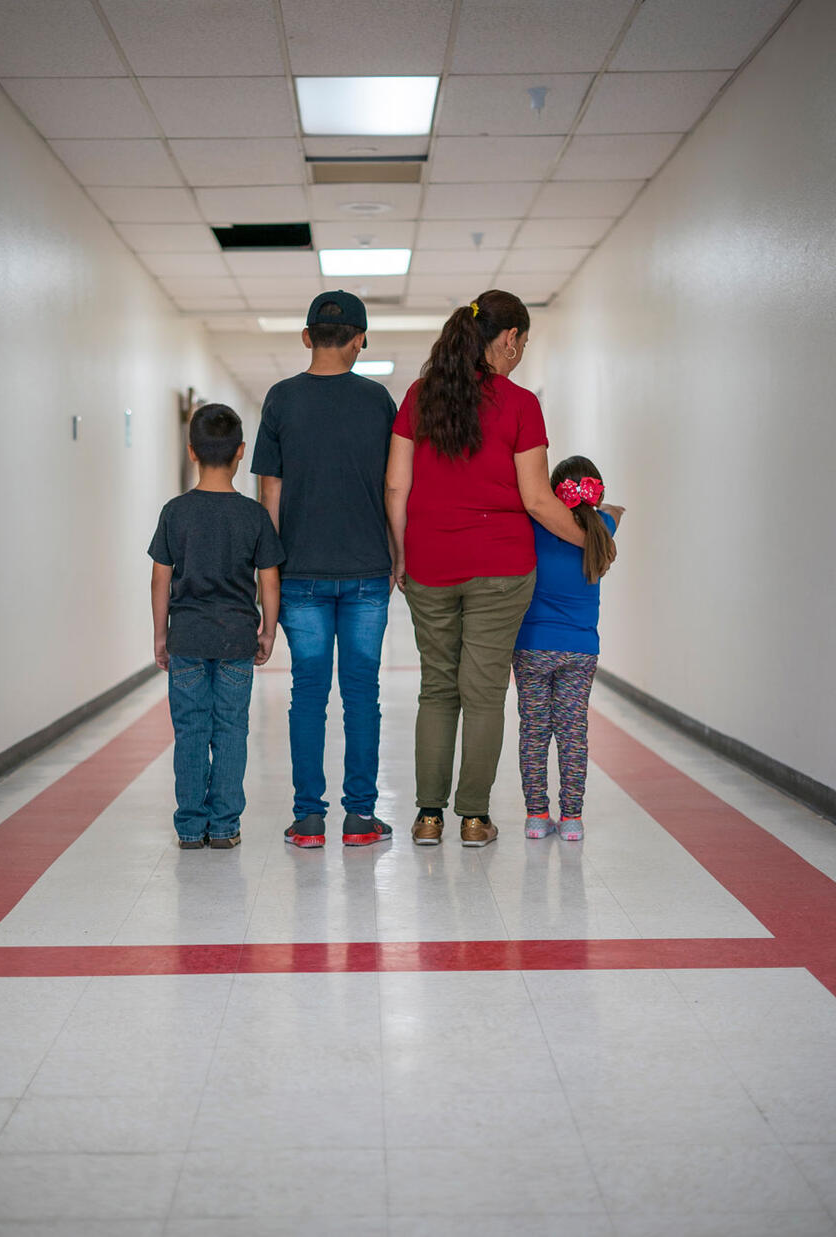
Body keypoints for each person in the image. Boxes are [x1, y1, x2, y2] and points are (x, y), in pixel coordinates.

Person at [386, 288, 593, 848]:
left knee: (437, 689)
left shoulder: (419, 396)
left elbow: (396, 484)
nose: (521, 352)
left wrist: (401, 551)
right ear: (507, 339)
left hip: (430, 561)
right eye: (522, 341)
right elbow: (538, 500)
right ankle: (474, 819)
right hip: (501, 566)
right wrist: (592, 542)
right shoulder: (521, 405)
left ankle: (429, 817)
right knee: (482, 693)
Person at [252, 291, 397, 849]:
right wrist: (397, 551)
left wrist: (269, 571)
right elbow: (392, 486)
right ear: (360, 338)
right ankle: (360, 819)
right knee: (362, 693)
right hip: (366, 570)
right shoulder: (377, 400)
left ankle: (308, 819)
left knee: (308, 693)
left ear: (307, 336)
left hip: (300, 573)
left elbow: (270, 492)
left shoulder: (281, 399)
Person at [149, 404, 285, 849]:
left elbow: (160, 577)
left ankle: (190, 827)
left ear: (192, 452)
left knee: (190, 732)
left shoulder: (175, 512)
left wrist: (160, 635)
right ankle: (224, 826)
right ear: (241, 452)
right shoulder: (253, 516)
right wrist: (267, 630)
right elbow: (269, 578)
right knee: (230, 729)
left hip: (187, 636)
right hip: (235, 640)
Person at [513, 456, 624, 841]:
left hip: (532, 646)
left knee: (534, 732)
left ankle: (536, 816)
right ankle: (572, 818)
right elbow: (615, 510)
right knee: (573, 733)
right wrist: (600, 506)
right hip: (581, 650)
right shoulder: (602, 529)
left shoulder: (534, 527)